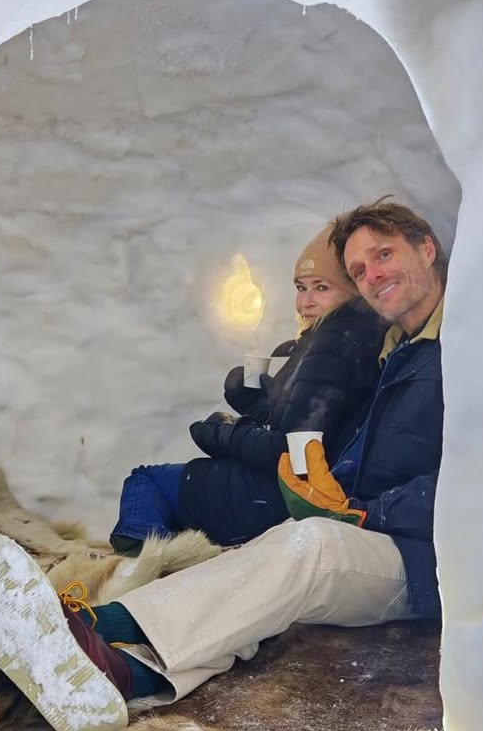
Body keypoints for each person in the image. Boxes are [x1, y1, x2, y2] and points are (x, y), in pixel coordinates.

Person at [0, 198, 447, 731]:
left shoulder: (459, 347)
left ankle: (95, 630)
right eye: (360, 269)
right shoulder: (400, 349)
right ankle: (114, 678)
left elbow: (478, 484)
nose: (373, 275)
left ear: (427, 248)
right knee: (261, 579)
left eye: (384, 255)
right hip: (367, 532)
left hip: (421, 556)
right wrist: (321, 485)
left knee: (307, 548)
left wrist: (364, 510)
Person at [109, 227, 387, 552]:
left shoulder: (332, 346)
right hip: (275, 491)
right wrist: (252, 400)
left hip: (271, 496)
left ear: (350, 291)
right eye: (301, 288)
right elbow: (301, 422)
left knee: (146, 481)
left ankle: (146, 574)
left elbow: (292, 452)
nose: (305, 301)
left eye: (321, 288)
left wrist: (224, 435)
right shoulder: (341, 339)